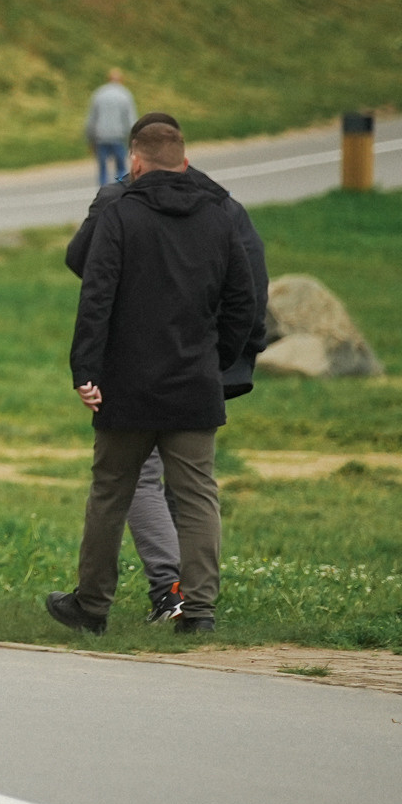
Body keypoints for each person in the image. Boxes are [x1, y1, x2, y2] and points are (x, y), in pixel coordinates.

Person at [47, 119, 258, 637]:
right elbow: (243, 302)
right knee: (197, 496)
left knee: (111, 492)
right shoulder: (221, 216)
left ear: (135, 164)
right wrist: (216, 357)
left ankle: (92, 605)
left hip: (127, 383)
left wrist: (86, 370)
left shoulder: (120, 216)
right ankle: (200, 609)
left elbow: (96, 297)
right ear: (185, 162)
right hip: (194, 382)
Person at [83, 69, 138, 188]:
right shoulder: (125, 95)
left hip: (101, 137)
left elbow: (91, 119)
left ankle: (103, 192)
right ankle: (120, 190)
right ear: (121, 80)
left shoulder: (98, 94)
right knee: (121, 167)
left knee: (102, 168)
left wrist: (90, 139)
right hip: (118, 137)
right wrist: (134, 138)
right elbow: (130, 119)